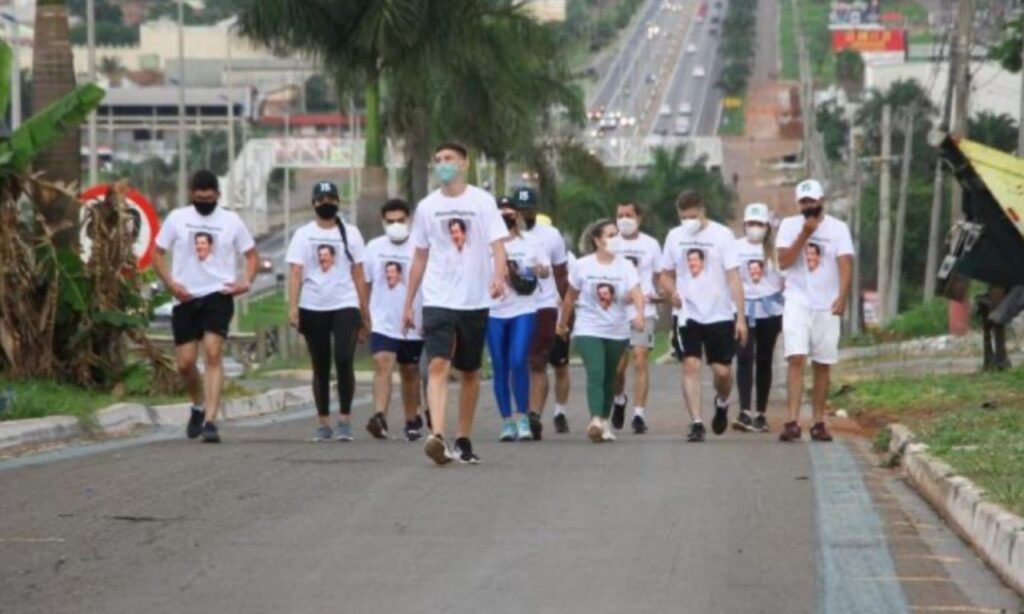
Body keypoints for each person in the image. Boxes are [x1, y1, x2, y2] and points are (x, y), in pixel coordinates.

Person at [403, 142, 509, 465]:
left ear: (464, 163)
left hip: (474, 298)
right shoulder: (427, 207)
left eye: (449, 159)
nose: (443, 164)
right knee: (437, 364)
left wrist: (499, 277)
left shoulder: (482, 202)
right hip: (438, 297)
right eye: (438, 160)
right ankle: (437, 435)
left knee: (470, 371)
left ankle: (463, 438)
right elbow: (420, 256)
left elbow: (498, 246)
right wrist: (409, 302)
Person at [152, 170, 258, 443]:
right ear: (191, 195)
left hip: (218, 295)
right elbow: (157, 253)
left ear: (218, 196)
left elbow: (251, 255)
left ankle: (211, 421)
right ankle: (198, 405)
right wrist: (170, 283)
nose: (204, 203)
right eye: (199, 198)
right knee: (185, 363)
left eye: (209, 199)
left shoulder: (231, 221)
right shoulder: (178, 218)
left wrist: (245, 282)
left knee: (213, 353)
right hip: (185, 296)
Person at [286, 181, 371, 442]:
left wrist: (365, 313)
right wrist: (293, 306)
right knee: (320, 364)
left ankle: (344, 419)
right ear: (313, 204)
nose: (326, 204)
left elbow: (359, 274)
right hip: (313, 305)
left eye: (331, 199)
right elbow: (296, 272)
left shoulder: (351, 233)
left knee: (344, 358)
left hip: (345, 303)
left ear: (338, 203)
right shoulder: (303, 235)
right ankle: (323, 422)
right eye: (321, 200)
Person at [660, 191, 747, 442]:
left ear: (703, 210)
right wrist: (671, 291)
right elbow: (665, 274)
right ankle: (696, 422)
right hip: (687, 313)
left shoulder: (722, 236)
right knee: (691, 364)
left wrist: (740, 317)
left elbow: (733, 278)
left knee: (722, 372)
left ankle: (721, 402)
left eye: (693, 216)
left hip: (719, 313)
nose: (689, 221)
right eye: (684, 217)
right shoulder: (674, 237)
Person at [776, 179, 853, 442]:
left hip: (826, 302)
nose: (808, 207)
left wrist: (842, 296)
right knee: (796, 358)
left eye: (812, 202)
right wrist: (804, 235)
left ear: (821, 201)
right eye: (804, 202)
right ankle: (792, 420)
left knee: (823, 362)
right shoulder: (789, 226)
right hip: (797, 300)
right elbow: (784, 262)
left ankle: (818, 421)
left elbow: (845, 263)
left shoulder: (838, 229)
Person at [557, 220, 645, 443]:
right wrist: (562, 322)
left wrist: (640, 314)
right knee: (596, 371)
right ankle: (595, 417)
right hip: (589, 327)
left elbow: (636, 293)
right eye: (609, 235)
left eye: (616, 234)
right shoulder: (583, 265)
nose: (614, 238)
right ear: (597, 240)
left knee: (611, 376)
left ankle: (604, 420)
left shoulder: (625, 266)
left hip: (617, 329)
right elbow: (570, 296)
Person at [364, 199, 426, 442]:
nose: (396, 225)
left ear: (409, 220)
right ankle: (379, 416)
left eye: (400, 220)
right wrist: (364, 315)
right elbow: (366, 283)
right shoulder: (374, 248)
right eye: (390, 222)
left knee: (410, 372)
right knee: (382, 364)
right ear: (383, 222)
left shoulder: (420, 248)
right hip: (382, 320)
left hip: (412, 321)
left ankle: (411, 420)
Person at [488, 196, 550, 441]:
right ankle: (507, 421)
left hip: (523, 308)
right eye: (501, 212)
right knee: (499, 365)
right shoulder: (485, 244)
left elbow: (544, 269)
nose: (506, 217)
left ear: (517, 216)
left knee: (517, 360)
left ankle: (523, 415)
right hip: (493, 310)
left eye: (510, 212)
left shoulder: (532, 242)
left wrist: (539, 270)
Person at [515, 189, 570, 439]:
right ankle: (518, 414)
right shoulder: (502, 235)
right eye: (520, 209)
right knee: (517, 362)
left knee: (538, 362)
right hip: (512, 307)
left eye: (529, 209)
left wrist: (566, 314)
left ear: (536, 209)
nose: (525, 214)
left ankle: (533, 414)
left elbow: (560, 272)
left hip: (544, 305)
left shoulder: (551, 235)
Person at [611, 202, 662, 434]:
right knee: (618, 368)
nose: (624, 219)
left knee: (640, 358)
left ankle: (639, 414)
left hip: (644, 311)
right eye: (620, 215)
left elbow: (659, 276)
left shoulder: (651, 244)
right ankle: (619, 399)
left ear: (638, 218)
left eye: (628, 215)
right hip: (617, 312)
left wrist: (660, 294)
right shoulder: (610, 243)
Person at [733, 203, 784, 433]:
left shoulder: (776, 251)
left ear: (767, 226)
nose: (755, 228)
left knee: (764, 360)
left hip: (770, 310)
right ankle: (744, 411)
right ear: (744, 225)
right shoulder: (734, 248)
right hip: (742, 310)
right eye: (751, 224)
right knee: (744, 356)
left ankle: (761, 412)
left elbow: (784, 280)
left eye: (760, 224)